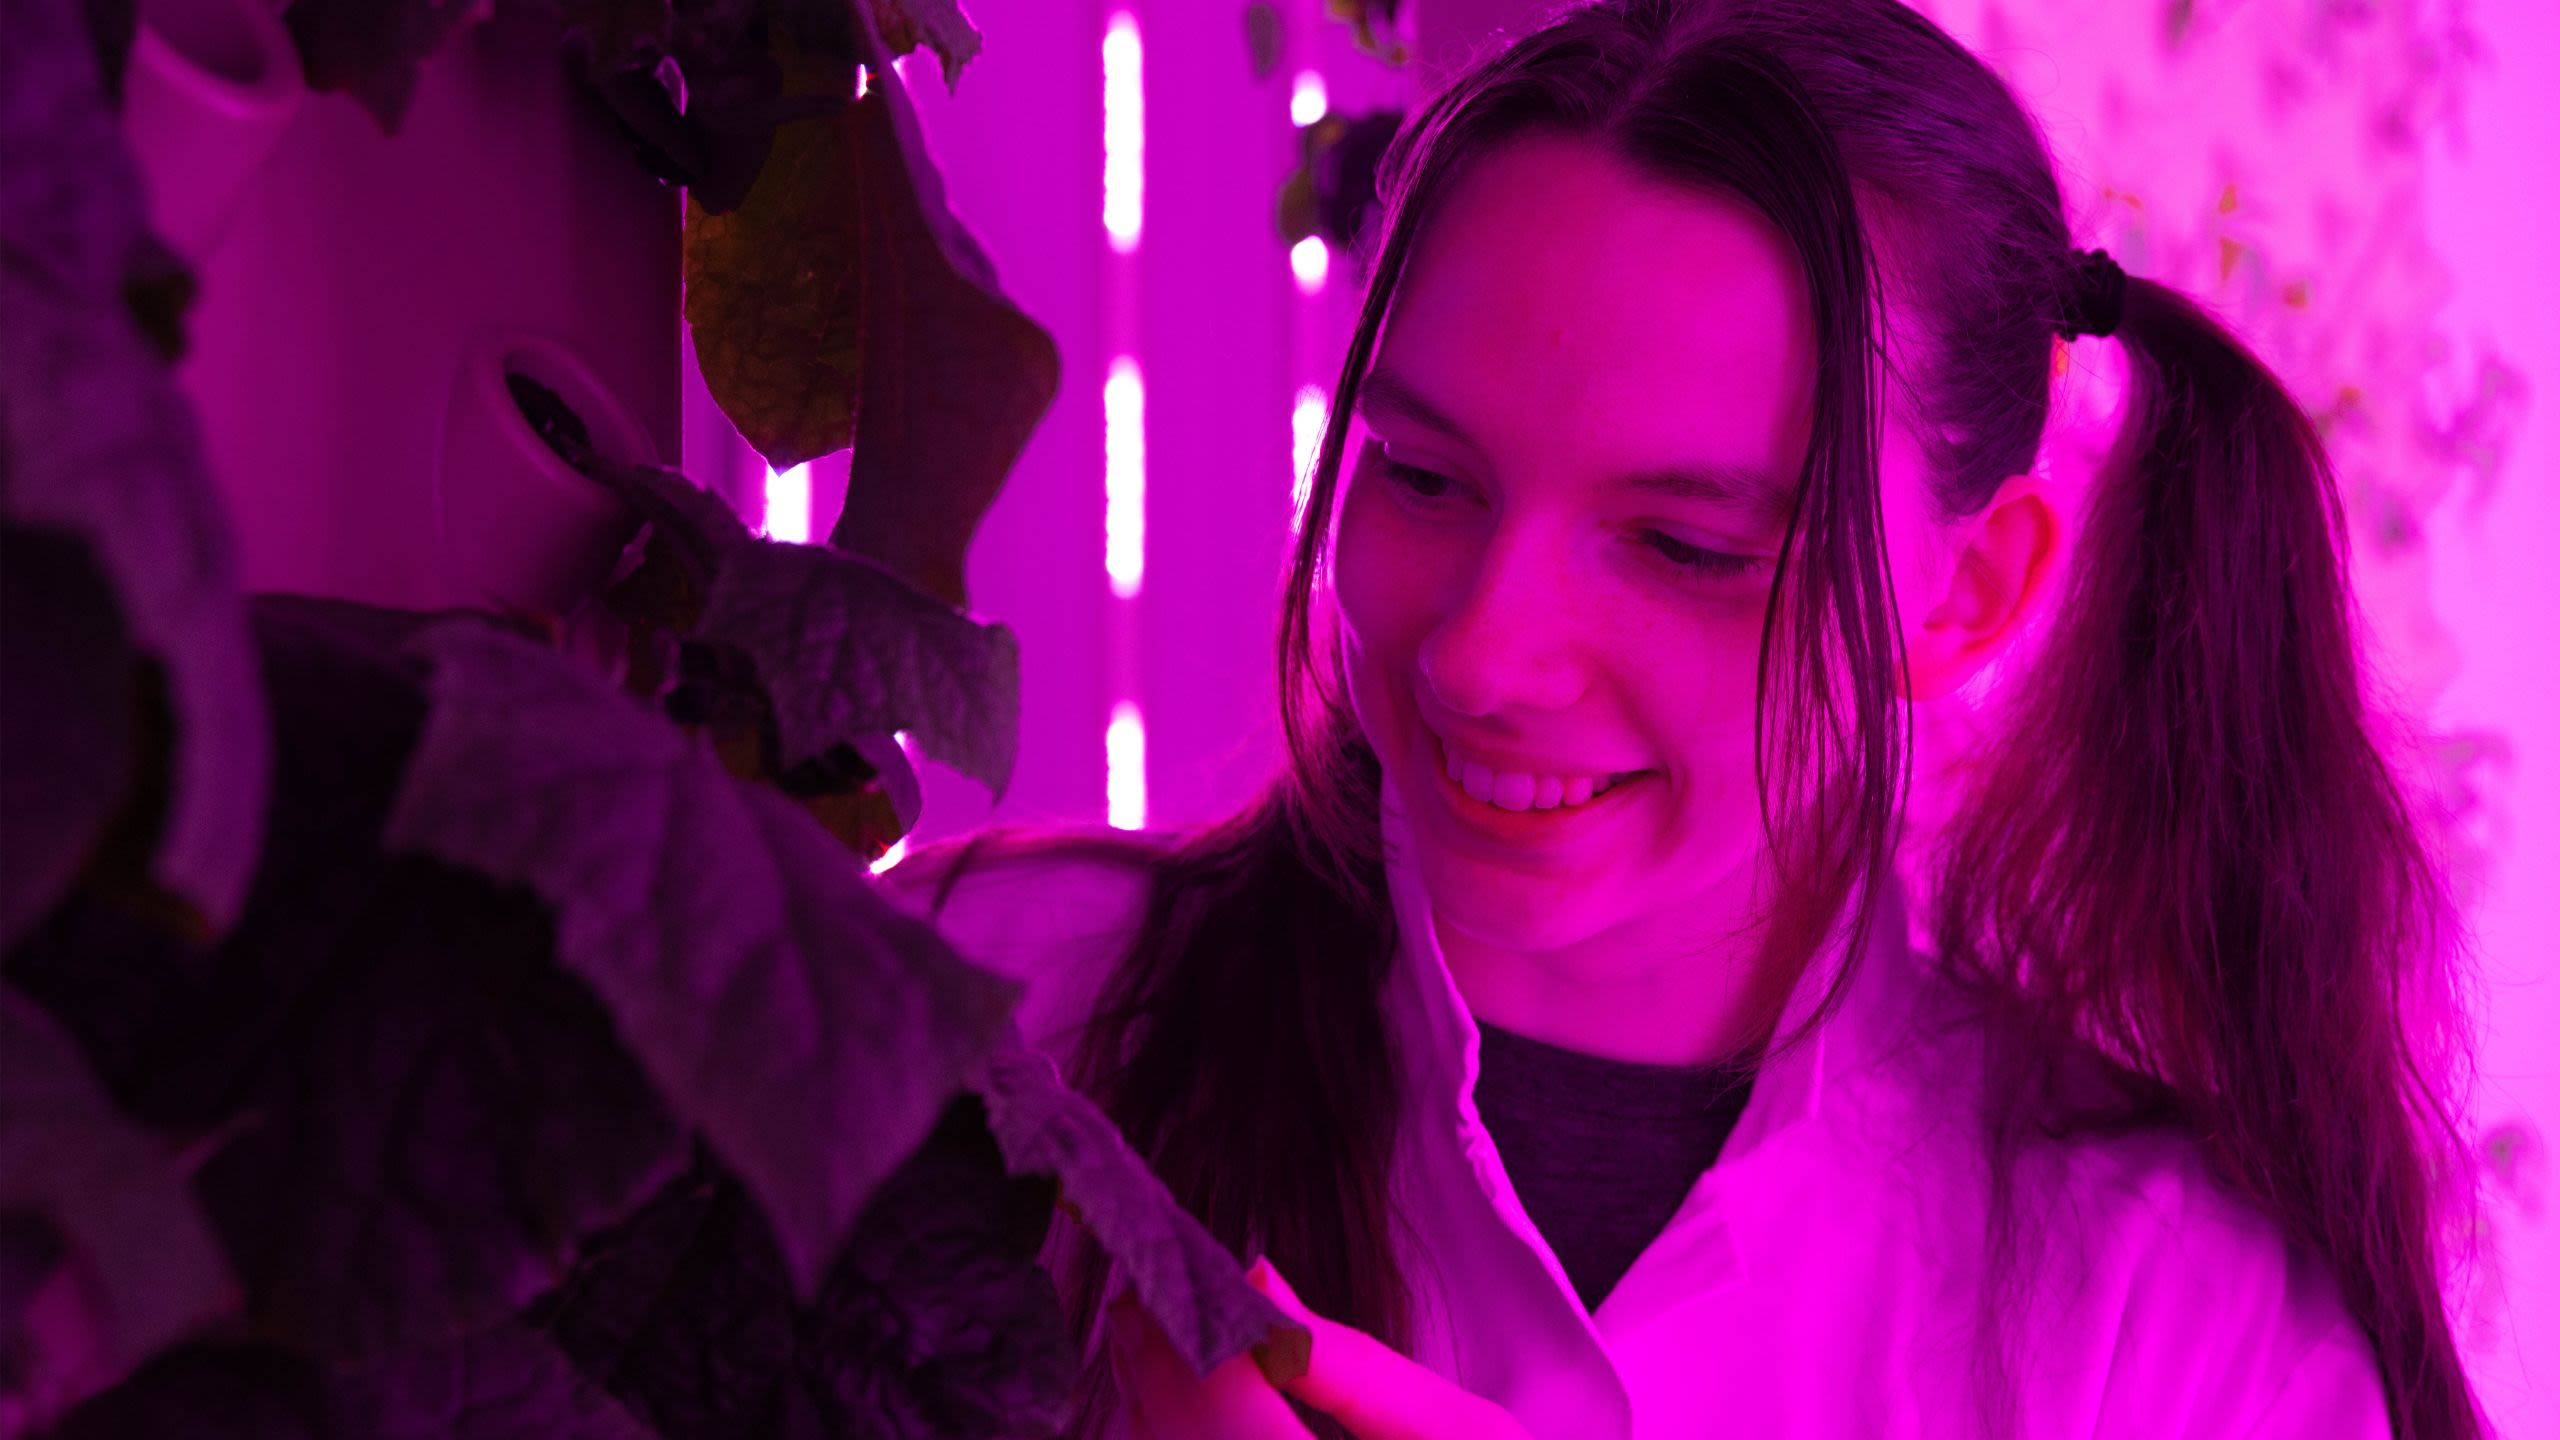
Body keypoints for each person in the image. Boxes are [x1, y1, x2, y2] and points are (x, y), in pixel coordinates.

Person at [881, 0, 2491, 1435]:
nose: (1483, 658)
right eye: (1424, 477)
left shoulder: (2180, 1332)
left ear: (1970, 592)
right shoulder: (975, 1010)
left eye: (1686, 548)